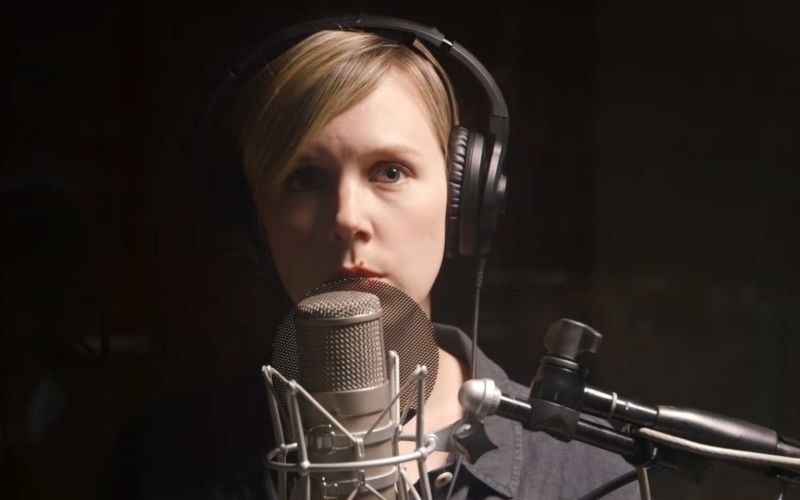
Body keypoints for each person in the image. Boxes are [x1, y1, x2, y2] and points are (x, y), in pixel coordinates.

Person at [234, 20, 640, 499]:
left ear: (463, 201)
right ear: (258, 220)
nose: (347, 218)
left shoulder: (591, 475)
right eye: (305, 179)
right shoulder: (171, 458)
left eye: (390, 172)